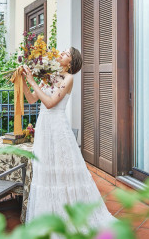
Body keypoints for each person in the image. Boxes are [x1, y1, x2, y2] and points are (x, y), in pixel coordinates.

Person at [22, 47, 115, 229]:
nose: (60, 54)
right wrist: (23, 81)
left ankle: (69, 214)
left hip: (58, 127)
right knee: (46, 170)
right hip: (44, 127)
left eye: (65, 54)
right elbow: (32, 100)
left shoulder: (68, 79)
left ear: (71, 62)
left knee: (64, 172)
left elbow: (49, 103)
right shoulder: (49, 77)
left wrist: (33, 81)